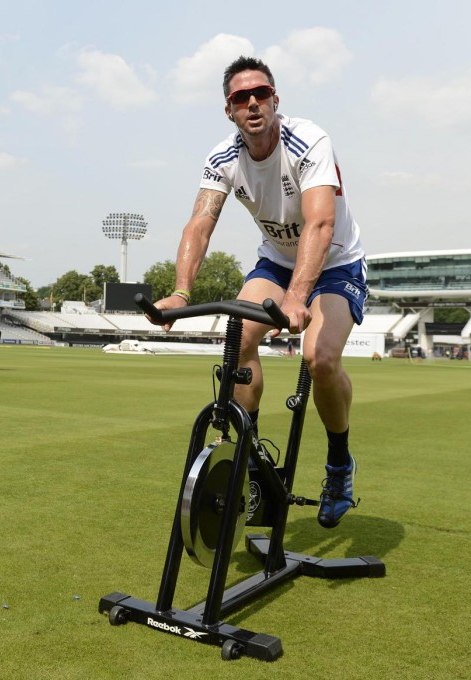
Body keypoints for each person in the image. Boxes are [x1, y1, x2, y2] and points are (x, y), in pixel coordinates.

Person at [150, 56, 368, 529]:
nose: (252, 103)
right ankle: (253, 467)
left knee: (321, 359)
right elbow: (200, 224)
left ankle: (338, 466)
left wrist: (297, 296)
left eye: (261, 94)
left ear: (275, 100)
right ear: (228, 110)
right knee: (240, 339)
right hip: (276, 261)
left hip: (334, 262)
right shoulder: (223, 158)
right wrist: (181, 292)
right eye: (240, 97)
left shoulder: (308, 140)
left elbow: (321, 222)